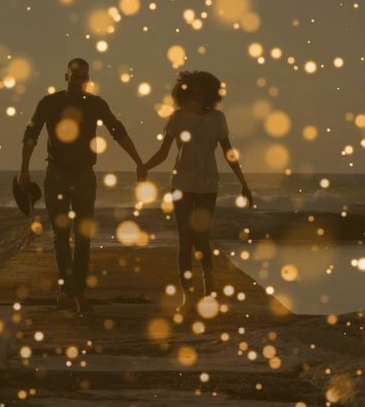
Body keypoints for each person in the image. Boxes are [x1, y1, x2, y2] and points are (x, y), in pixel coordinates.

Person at [19, 58, 144, 313]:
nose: (79, 82)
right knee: (61, 236)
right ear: (66, 77)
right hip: (56, 174)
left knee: (83, 237)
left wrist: (138, 162)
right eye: (75, 77)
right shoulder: (49, 102)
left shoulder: (95, 104)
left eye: (83, 78)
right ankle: (68, 292)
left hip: (85, 175)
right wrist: (23, 170)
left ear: (88, 80)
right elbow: (31, 134)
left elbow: (117, 131)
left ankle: (80, 293)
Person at [139, 71, 253, 313]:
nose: (198, 94)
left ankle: (209, 287)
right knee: (184, 239)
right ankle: (187, 296)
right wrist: (144, 167)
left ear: (209, 93)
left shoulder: (217, 118)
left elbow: (228, 153)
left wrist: (244, 183)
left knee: (201, 237)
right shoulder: (177, 118)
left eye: (202, 91)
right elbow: (163, 152)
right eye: (194, 90)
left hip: (208, 185)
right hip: (181, 184)